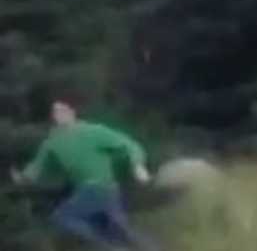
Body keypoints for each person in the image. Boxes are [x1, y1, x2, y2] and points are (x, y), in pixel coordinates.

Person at [9, 98, 161, 250]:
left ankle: (112, 248)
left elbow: (128, 145)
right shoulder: (52, 143)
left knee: (63, 217)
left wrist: (137, 165)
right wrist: (22, 177)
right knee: (119, 229)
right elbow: (38, 167)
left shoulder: (93, 131)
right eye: (55, 112)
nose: (59, 115)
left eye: (62, 111)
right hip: (92, 190)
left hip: (101, 186)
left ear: (72, 113)